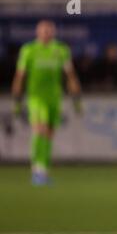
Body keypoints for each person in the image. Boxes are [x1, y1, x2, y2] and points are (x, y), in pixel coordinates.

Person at [12, 20, 82, 185]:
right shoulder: (29, 50)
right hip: (36, 97)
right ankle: (37, 169)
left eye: (49, 30)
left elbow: (70, 75)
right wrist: (17, 100)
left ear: (54, 32)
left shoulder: (61, 50)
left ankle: (43, 170)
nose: (46, 33)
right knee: (40, 129)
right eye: (43, 30)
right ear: (37, 32)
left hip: (54, 98)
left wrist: (76, 99)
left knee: (49, 134)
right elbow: (20, 76)